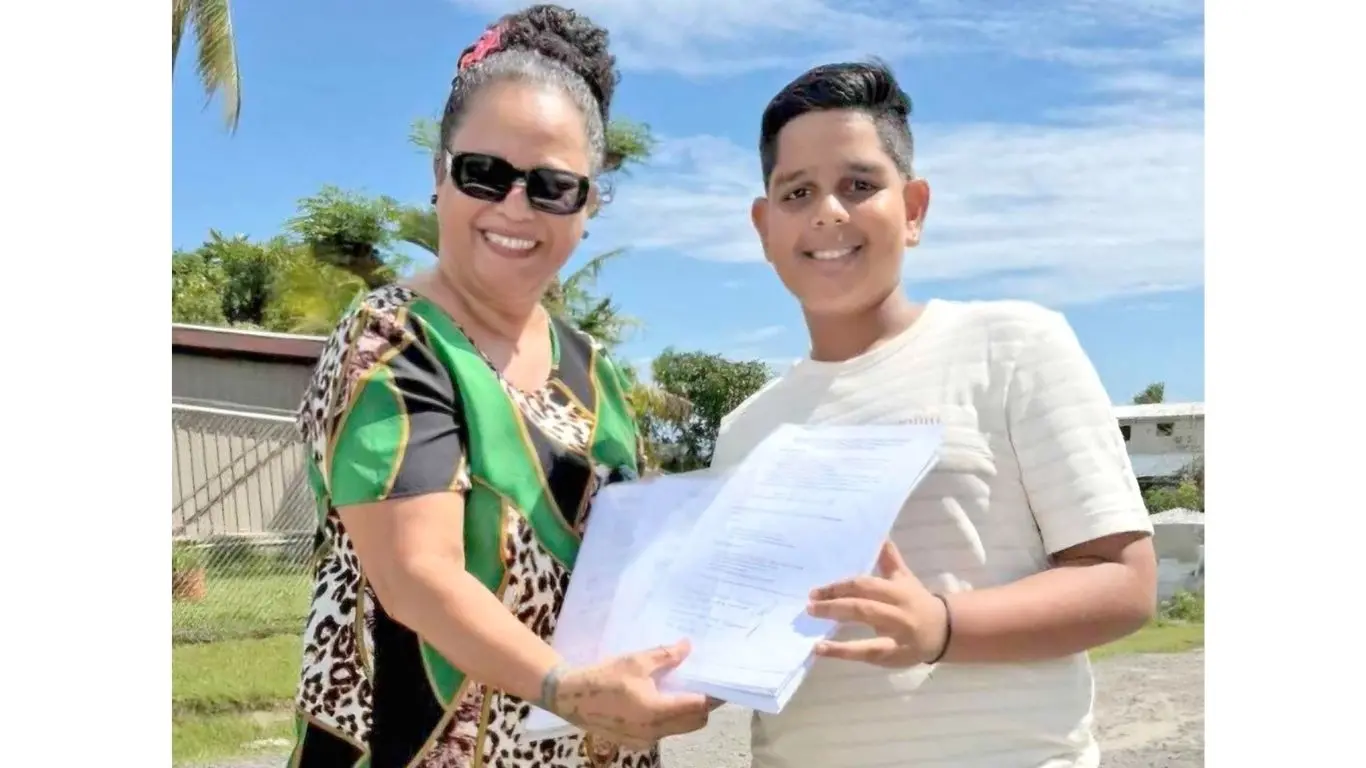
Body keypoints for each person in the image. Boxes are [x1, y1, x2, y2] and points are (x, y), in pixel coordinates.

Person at [287, 6, 712, 767]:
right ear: (438, 175)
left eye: (552, 186)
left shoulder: (596, 371)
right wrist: (568, 689)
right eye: (484, 174)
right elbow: (419, 575)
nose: (514, 207)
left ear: (589, 203)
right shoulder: (391, 340)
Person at [715, 59, 1160, 768]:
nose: (829, 211)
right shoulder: (745, 432)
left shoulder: (1013, 346)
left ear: (914, 208)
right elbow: (740, 634)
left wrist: (942, 625)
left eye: (859, 185)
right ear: (764, 227)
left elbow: (1124, 582)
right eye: (797, 192)